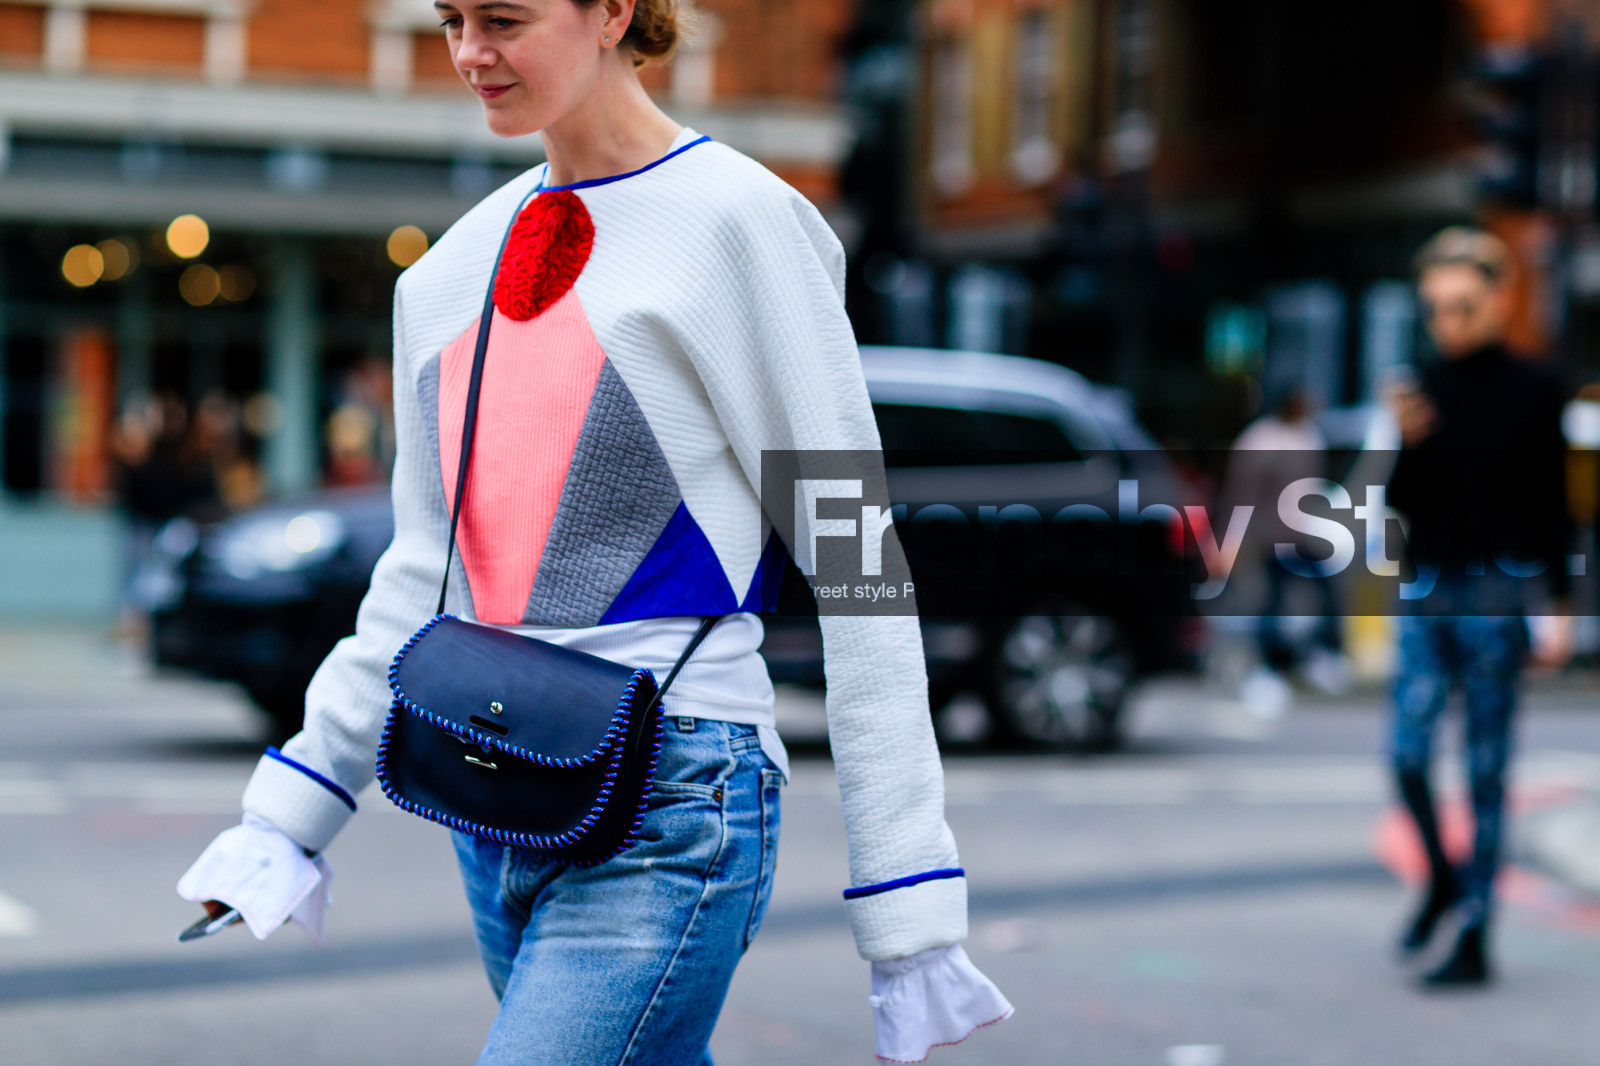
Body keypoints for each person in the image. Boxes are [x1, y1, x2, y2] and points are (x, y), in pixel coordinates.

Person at [176, 1, 1011, 1061]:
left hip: (677, 792)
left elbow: (855, 564)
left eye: (506, 18)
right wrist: (288, 812)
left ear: (615, 10)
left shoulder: (740, 224)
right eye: (451, 18)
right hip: (497, 783)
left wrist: (907, 899)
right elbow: (421, 576)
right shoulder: (442, 276)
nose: (471, 52)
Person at [1385, 226, 1573, 987]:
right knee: (1405, 754)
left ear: (1500, 298)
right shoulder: (1421, 384)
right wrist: (1408, 441)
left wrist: (1558, 602)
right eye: (1435, 310)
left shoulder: (1537, 388)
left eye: (1462, 306)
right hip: (1428, 585)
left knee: (1486, 769)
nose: (1449, 325)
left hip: (1497, 590)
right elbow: (1402, 501)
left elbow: (1554, 505)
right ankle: (1439, 876)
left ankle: (1475, 933)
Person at [1226, 383, 1347, 703]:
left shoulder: (1309, 435)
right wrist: (1234, 536)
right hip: (1270, 536)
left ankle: (1320, 655)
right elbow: (1242, 492)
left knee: (1325, 593)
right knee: (1270, 603)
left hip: (1303, 533)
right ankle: (1270, 667)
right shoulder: (1261, 439)